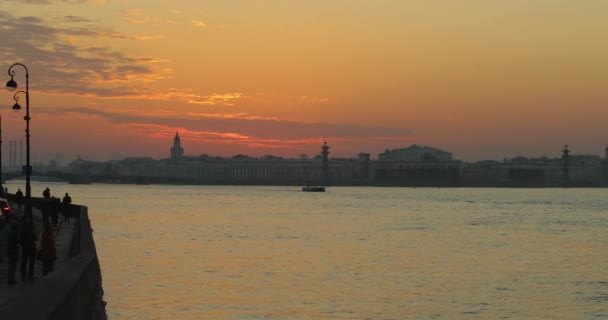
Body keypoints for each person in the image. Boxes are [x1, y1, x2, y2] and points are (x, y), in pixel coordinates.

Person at [20, 217, 37, 281]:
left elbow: (32, 235)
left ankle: (27, 275)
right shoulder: (24, 228)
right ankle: (27, 275)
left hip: (29, 246)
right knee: (28, 261)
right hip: (28, 246)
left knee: (28, 261)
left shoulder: (26, 227)